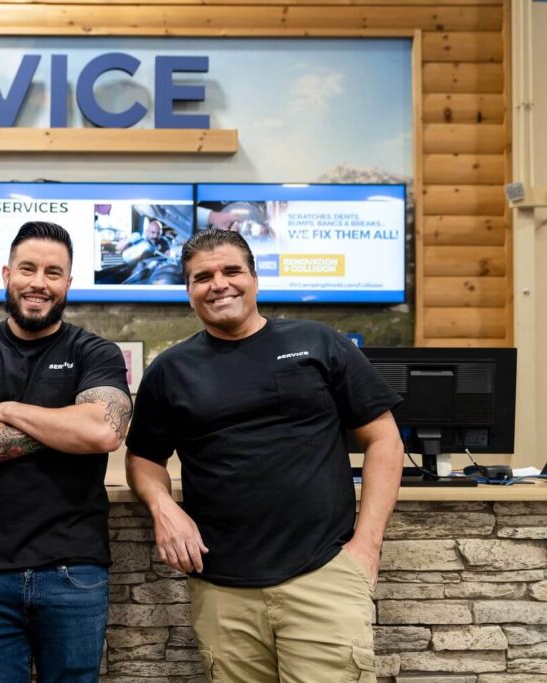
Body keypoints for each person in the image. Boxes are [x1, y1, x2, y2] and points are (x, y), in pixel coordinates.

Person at [125, 228, 403, 683]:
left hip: (322, 576)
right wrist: (162, 507)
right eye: (203, 277)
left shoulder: (319, 343)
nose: (219, 284)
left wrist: (366, 547)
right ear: (189, 292)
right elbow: (144, 459)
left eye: (232, 270)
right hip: (221, 590)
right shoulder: (170, 371)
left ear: (255, 278)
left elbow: (385, 440)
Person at [0, 221, 133, 683]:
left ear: (68, 282)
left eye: (53, 272)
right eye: (28, 268)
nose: (39, 282)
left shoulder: (96, 352)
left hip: (75, 569)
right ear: (7, 274)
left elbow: (103, 431)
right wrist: (66, 427)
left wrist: (10, 411)